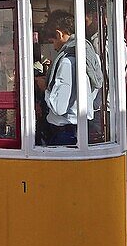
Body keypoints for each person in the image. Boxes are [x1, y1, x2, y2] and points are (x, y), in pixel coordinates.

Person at [38, 10, 89, 146]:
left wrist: (46, 89)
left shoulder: (67, 62)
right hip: (81, 127)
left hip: (64, 132)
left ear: (59, 34)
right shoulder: (88, 54)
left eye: (52, 41)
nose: (54, 47)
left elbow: (59, 107)